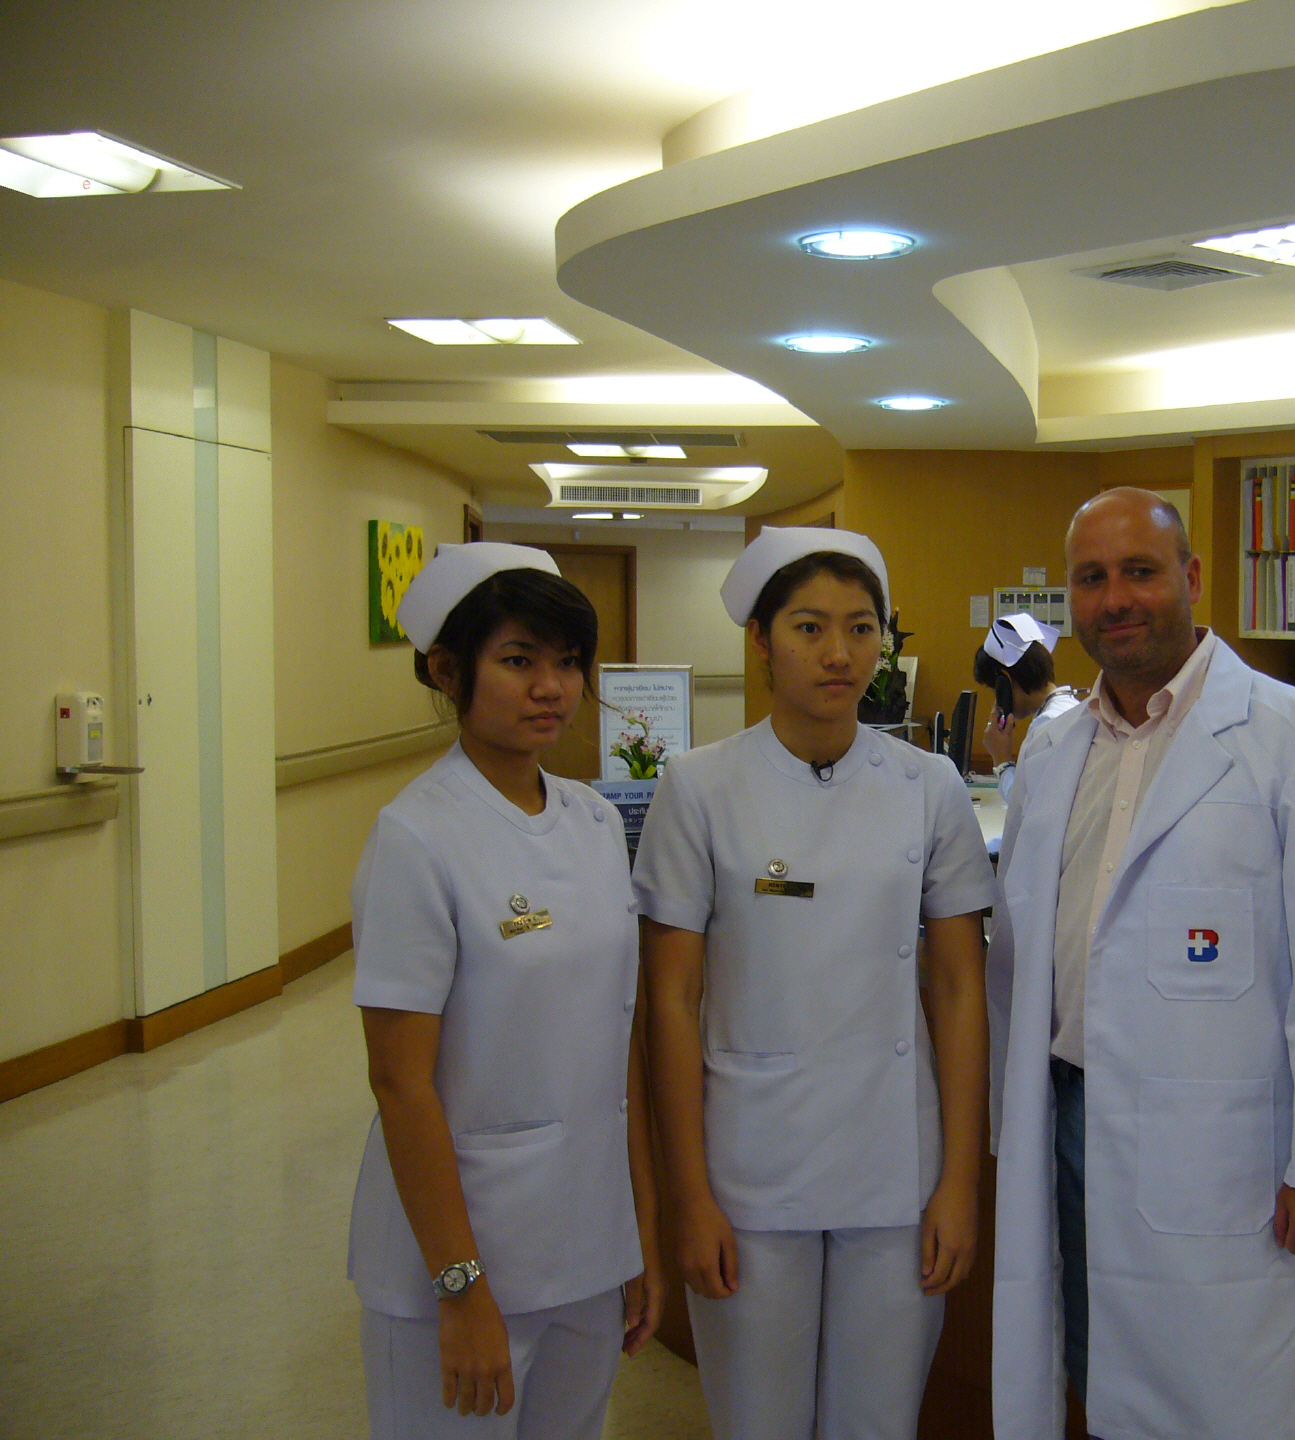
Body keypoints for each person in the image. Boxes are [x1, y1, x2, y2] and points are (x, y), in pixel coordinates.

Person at [986, 489, 1295, 1440]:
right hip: (1066, 1116)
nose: (1116, 598)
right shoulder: (1054, 746)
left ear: (1192, 578)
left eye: (1140, 571)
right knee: (1094, 1366)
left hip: (1222, 1143)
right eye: (1092, 578)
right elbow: (1021, 943)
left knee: (1228, 1388)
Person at [633, 526, 995, 1440]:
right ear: (760, 640)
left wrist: (959, 1181)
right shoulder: (698, 787)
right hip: (750, 1166)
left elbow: (960, 990)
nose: (839, 653)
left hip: (895, 1165)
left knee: (881, 1423)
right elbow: (669, 1002)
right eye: (809, 627)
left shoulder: (930, 786)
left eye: (861, 628)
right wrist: (689, 1196)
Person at [347, 542, 662, 1439]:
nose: (550, 688)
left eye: (568, 662)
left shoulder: (593, 820)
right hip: (460, 1257)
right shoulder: (416, 838)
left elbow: (617, 1046)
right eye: (519, 661)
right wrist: (460, 1291)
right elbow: (400, 1083)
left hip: (585, 1243)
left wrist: (635, 1235)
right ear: (449, 672)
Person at [976, 611, 1081, 800]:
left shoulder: (1047, 728)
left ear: (1004, 682)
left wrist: (1002, 762)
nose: (996, 700)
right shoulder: (1068, 708)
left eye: (994, 689)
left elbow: (1027, 806)